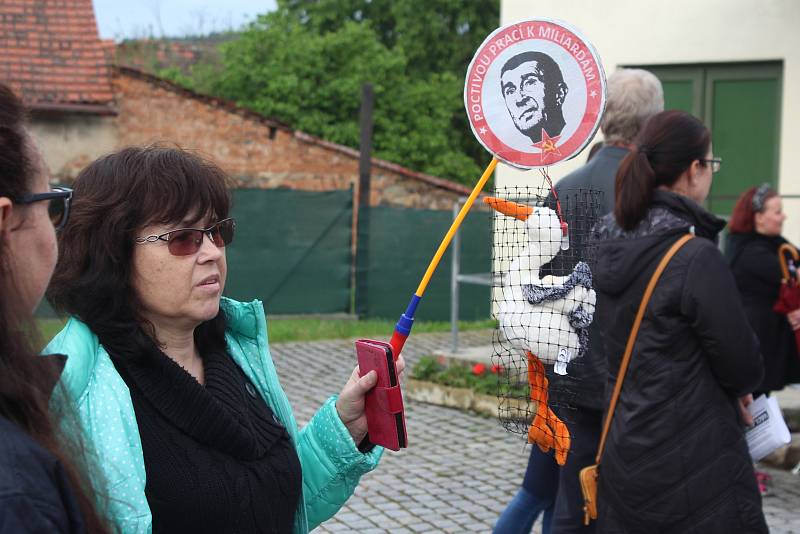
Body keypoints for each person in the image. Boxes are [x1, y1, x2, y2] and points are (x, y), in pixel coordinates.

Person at [44, 145, 402, 533]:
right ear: (112, 252)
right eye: (184, 238)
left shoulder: (236, 351)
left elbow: (272, 503)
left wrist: (345, 429)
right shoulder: (72, 394)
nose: (213, 252)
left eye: (218, 231)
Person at [592, 110, 767, 532]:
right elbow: (744, 364)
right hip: (693, 457)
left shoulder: (605, 241)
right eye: (712, 163)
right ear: (694, 170)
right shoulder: (692, 257)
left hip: (623, 445)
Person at [515, 68, 662, 534]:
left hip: (570, 377)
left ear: (601, 120)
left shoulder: (562, 190)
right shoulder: (657, 195)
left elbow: (530, 289)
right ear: (652, 125)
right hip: (636, 383)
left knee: (569, 505)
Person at [0, 84, 108, 532]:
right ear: (5, 221)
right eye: (50, 206)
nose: (210, 254)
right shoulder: (15, 491)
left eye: (218, 233)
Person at [726, 184, 800, 396]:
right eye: (777, 212)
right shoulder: (749, 252)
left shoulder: (774, 243)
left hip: (769, 344)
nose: (783, 217)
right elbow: (791, 276)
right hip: (757, 346)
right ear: (758, 217)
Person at [500, 51, 568, 144]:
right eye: (510, 91)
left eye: (529, 82)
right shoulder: (504, 157)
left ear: (560, 93)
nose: (520, 99)